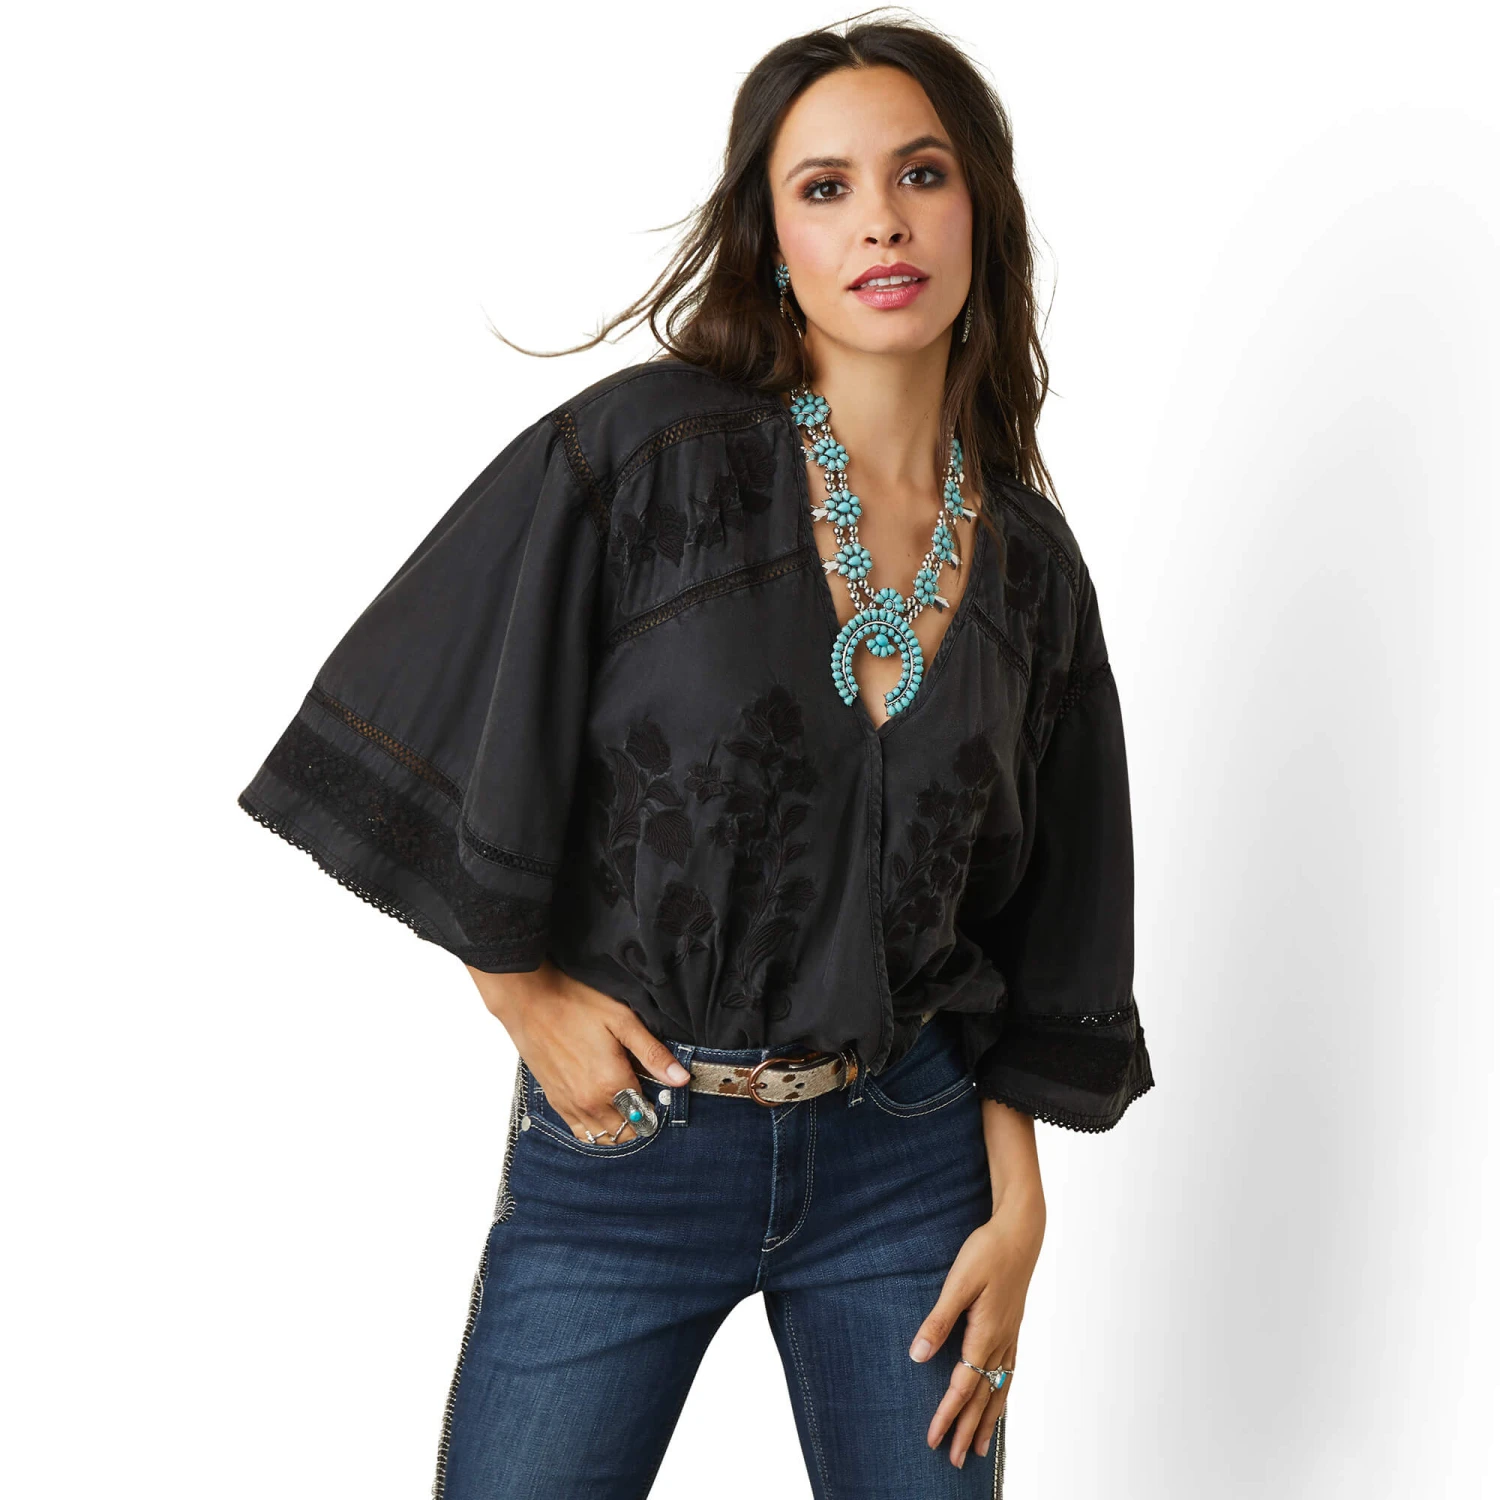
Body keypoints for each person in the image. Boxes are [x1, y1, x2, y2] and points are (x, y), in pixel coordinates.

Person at [236, 16, 1154, 1499]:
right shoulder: (645, 460)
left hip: (910, 1168)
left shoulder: (1034, 569)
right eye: (825, 188)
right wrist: (520, 988)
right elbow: (439, 704)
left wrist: (1020, 1207)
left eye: (921, 174)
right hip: (630, 1150)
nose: (882, 221)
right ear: (771, 238)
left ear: (979, 206)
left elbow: (1037, 919)